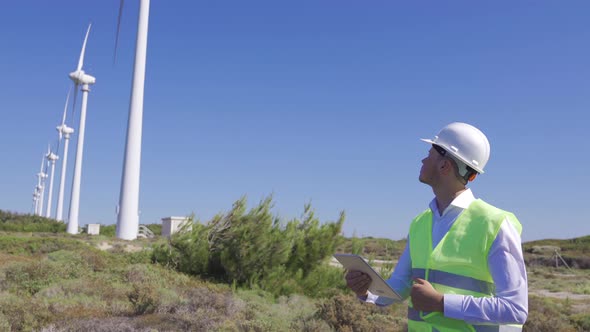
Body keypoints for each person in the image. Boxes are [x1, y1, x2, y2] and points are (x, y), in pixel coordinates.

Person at [345, 122, 528, 331]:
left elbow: (515, 309)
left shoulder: (495, 223)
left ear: (444, 166)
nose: (423, 159)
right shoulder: (420, 223)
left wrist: (441, 303)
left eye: (429, 153)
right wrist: (367, 290)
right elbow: (401, 285)